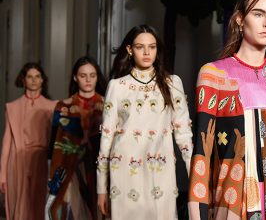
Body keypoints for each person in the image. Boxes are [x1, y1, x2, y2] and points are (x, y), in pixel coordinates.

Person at [188, 0, 266, 219]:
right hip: (233, 199)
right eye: (258, 14)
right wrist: (196, 212)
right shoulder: (214, 75)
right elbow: (202, 151)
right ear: (240, 19)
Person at [97, 24, 193, 219]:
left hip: (160, 172)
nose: (147, 52)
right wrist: (101, 188)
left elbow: (184, 136)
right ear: (130, 50)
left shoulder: (172, 83)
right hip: (123, 173)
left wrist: (196, 179)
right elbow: (106, 140)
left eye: (152, 46)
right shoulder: (117, 87)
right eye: (140, 47)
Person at [46, 56, 107, 220]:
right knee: (70, 212)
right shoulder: (63, 106)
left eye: (92, 75)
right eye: (83, 75)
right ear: (75, 77)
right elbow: (56, 143)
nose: (88, 80)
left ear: (97, 77)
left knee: (99, 211)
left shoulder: (108, 106)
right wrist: (53, 176)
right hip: (69, 167)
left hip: (99, 168)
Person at [0, 62, 57, 220]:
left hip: (41, 161)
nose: (34, 80)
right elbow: (7, 141)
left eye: (37, 76)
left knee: (39, 203)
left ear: (42, 80)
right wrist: (2, 174)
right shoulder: (12, 107)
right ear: (23, 80)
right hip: (17, 160)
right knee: (19, 202)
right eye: (30, 77)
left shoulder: (51, 107)